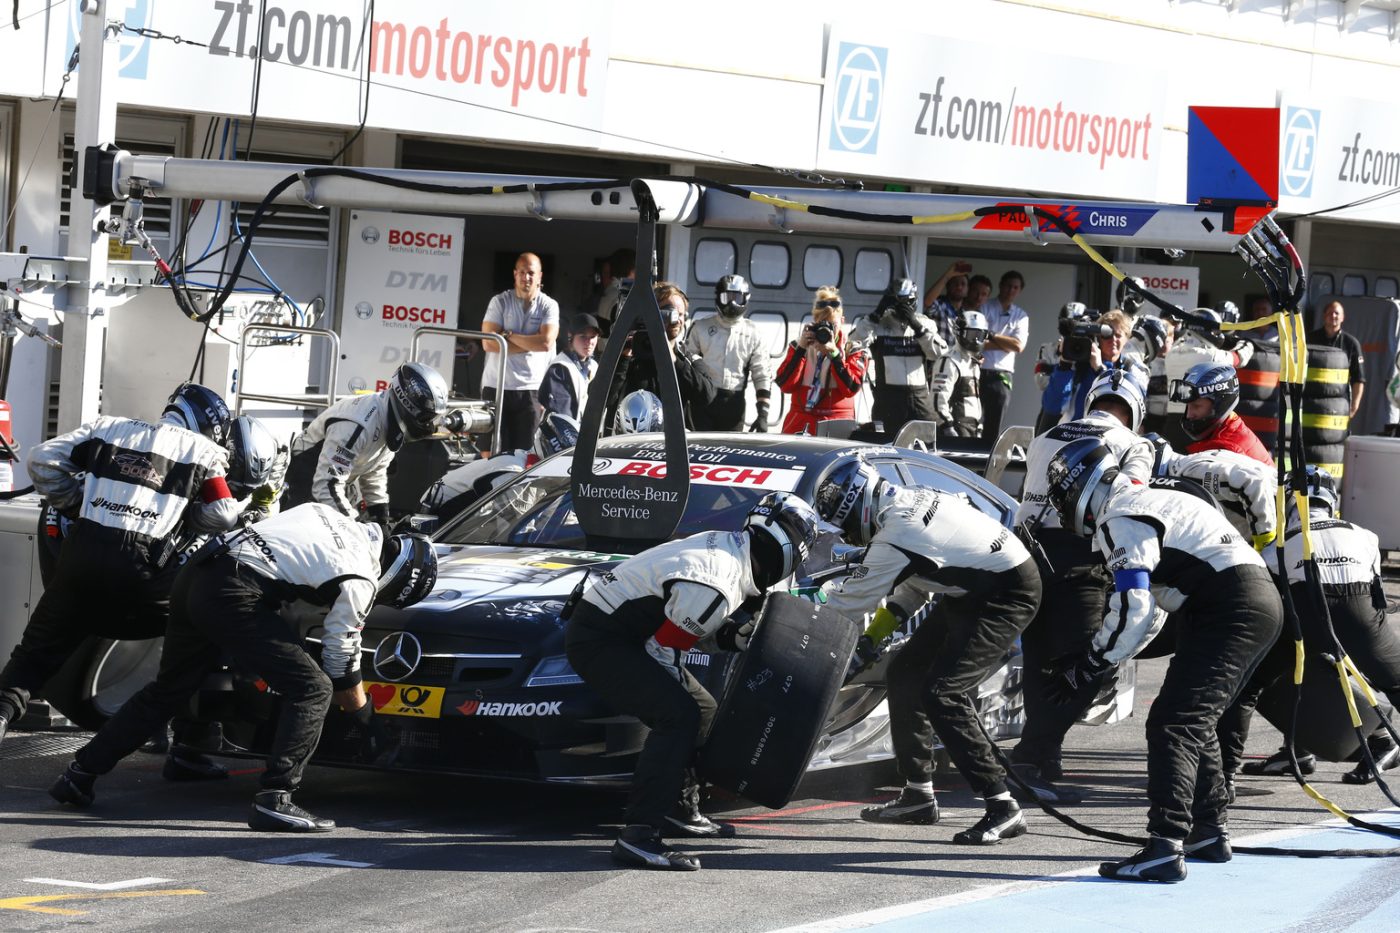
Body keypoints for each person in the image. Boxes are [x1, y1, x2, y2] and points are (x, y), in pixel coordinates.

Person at [48, 505, 439, 832]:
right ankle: (275, 797)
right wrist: (366, 719)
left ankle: (80, 774)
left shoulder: (331, 516)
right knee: (313, 687)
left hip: (199, 573)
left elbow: (286, 564)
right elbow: (341, 660)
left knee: (169, 689)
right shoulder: (360, 578)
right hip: (234, 591)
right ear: (398, 579)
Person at [1045, 438, 1282, 882]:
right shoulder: (1147, 497)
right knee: (1193, 719)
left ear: (1080, 486)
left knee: (1174, 723)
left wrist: (1092, 661)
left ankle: (1164, 845)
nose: (1061, 508)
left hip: (1229, 603)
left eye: (1061, 495)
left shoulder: (1121, 514)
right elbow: (1149, 613)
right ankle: (1208, 831)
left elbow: (1134, 608)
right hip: (1245, 597)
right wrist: (1108, 657)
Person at [566, 493, 820, 870]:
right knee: (677, 716)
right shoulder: (718, 584)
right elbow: (663, 650)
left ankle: (677, 810)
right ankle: (638, 834)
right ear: (788, 551)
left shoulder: (732, 552)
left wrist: (730, 638)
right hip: (603, 641)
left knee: (703, 709)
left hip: (625, 630)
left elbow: (679, 627)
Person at [0, 384, 240, 748]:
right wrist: (185, 515)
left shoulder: (106, 427)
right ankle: (184, 741)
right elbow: (223, 515)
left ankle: (2, 713)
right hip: (143, 575)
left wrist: (76, 503)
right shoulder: (204, 451)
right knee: (198, 632)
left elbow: (40, 461)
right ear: (210, 427)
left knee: (33, 653)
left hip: (80, 558)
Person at [816, 461, 1041, 845]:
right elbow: (920, 581)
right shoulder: (904, 506)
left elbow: (847, 604)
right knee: (905, 672)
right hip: (973, 586)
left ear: (861, 506)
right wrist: (874, 638)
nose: (850, 534)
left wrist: (810, 634)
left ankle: (1003, 805)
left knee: (943, 692)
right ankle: (918, 793)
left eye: (849, 523)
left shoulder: (897, 530)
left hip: (1006, 593)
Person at [1008, 368, 1154, 801]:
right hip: (1083, 553)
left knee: (1038, 661)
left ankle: (1043, 752)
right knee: (1091, 660)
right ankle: (1032, 752)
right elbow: (1133, 499)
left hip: (1029, 555)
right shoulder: (1135, 443)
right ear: (1135, 410)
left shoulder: (1044, 435)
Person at [1219, 467, 1400, 786]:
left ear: (1287, 504)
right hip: (1362, 619)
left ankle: (1222, 777)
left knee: (1248, 686)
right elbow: (1378, 599)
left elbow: (1267, 605)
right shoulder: (1367, 536)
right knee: (1391, 678)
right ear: (1332, 501)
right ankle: (1307, 749)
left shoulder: (1277, 547)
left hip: (1309, 620)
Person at [283, 362, 449, 523]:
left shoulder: (390, 418)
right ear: (408, 403)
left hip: (338, 479)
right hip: (308, 472)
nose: (429, 425)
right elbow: (325, 485)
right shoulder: (358, 425)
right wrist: (354, 528)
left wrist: (381, 519)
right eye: (426, 418)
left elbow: (374, 472)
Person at [420, 414, 579, 523]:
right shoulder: (515, 472)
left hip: (462, 519)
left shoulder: (530, 466)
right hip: (436, 516)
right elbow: (517, 529)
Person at [607, 282, 715, 430]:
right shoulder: (631, 354)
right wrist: (623, 357)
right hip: (630, 441)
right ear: (650, 313)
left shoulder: (687, 358)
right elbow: (602, 399)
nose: (676, 319)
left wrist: (673, 360)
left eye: (681, 314)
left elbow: (706, 396)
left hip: (672, 445)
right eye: (669, 312)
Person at [481, 252, 561, 452]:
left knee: (525, 455)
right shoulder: (499, 301)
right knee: (488, 452)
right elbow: (489, 343)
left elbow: (545, 343)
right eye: (522, 272)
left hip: (531, 390)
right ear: (515, 274)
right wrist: (529, 341)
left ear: (540, 276)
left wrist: (506, 335)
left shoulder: (549, 305)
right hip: (496, 386)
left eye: (531, 273)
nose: (527, 277)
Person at [848, 278, 945, 435]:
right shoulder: (877, 324)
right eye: (899, 302)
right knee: (887, 444)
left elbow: (938, 353)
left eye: (908, 302)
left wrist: (917, 327)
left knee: (926, 442)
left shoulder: (924, 323)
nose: (903, 307)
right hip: (888, 397)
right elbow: (854, 343)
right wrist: (876, 314)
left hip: (919, 396)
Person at [775, 286, 867, 435]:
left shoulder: (853, 350)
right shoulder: (800, 346)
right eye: (822, 323)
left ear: (842, 321)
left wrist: (835, 355)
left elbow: (851, 389)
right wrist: (801, 350)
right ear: (814, 322)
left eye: (832, 325)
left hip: (837, 423)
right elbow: (785, 385)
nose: (828, 330)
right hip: (800, 423)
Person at [687, 274, 773, 433]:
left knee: (729, 453)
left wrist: (763, 414)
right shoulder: (700, 327)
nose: (732, 303)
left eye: (737, 298)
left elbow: (762, 374)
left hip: (734, 404)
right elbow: (686, 366)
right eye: (727, 297)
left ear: (746, 299)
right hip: (702, 401)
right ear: (718, 298)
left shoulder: (754, 333)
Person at [1170, 363, 1271, 463]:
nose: (1189, 415)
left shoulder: (1228, 450)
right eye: (1188, 406)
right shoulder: (1226, 427)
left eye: (1197, 406)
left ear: (1219, 405)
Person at [980, 271, 1030, 440]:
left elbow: (1018, 346)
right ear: (1001, 285)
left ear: (1020, 291)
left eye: (1015, 287)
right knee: (971, 419)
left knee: (994, 424)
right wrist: (1004, 344)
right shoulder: (985, 306)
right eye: (1008, 286)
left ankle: (985, 459)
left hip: (1002, 374)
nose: (1011, 290)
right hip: (979, 370)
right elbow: (978, 341)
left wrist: (991, 335)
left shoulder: (1021, 315)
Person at [930, 309, 986, 437]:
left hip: (973, 429)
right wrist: (947, 427)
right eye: (972, 335)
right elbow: (937, 401)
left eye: (980, 335)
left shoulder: (973, 363)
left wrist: (979, 427)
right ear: (959, 333)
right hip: (955, 428)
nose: (976, 340)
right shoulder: (949, 362)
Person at [1308, 300, 1366, 421]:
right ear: (1324, 316)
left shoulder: (1351, 343)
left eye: (1336, 313)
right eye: (1330, 313)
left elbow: (1359, 379)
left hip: (1339, 405)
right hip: (1311, 402)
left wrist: (1354, 407)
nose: (1333, 316)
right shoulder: (1310, 339)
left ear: (1342, 317)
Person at [538, 313, 599, 420]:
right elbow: (561, 417)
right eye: (583, 336)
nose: (589, 342)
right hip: (566, 433)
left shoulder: (593, 366)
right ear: (570, 337)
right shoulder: (560, 368)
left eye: (593, 337)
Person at [922, 260, 973, 347]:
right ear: (948, 286)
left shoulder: (966, 315)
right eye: (955, 283)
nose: (959, 287)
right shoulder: (940, 305)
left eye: (963, 284)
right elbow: (927, 302)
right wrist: (948, 275)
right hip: (938, 359)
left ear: (968, 290)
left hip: (956, 360)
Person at [595, 247, 636, 349]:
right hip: (614, 358)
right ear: (631, 270)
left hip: (605, 354)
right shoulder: (621, 295)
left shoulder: (612, 291)